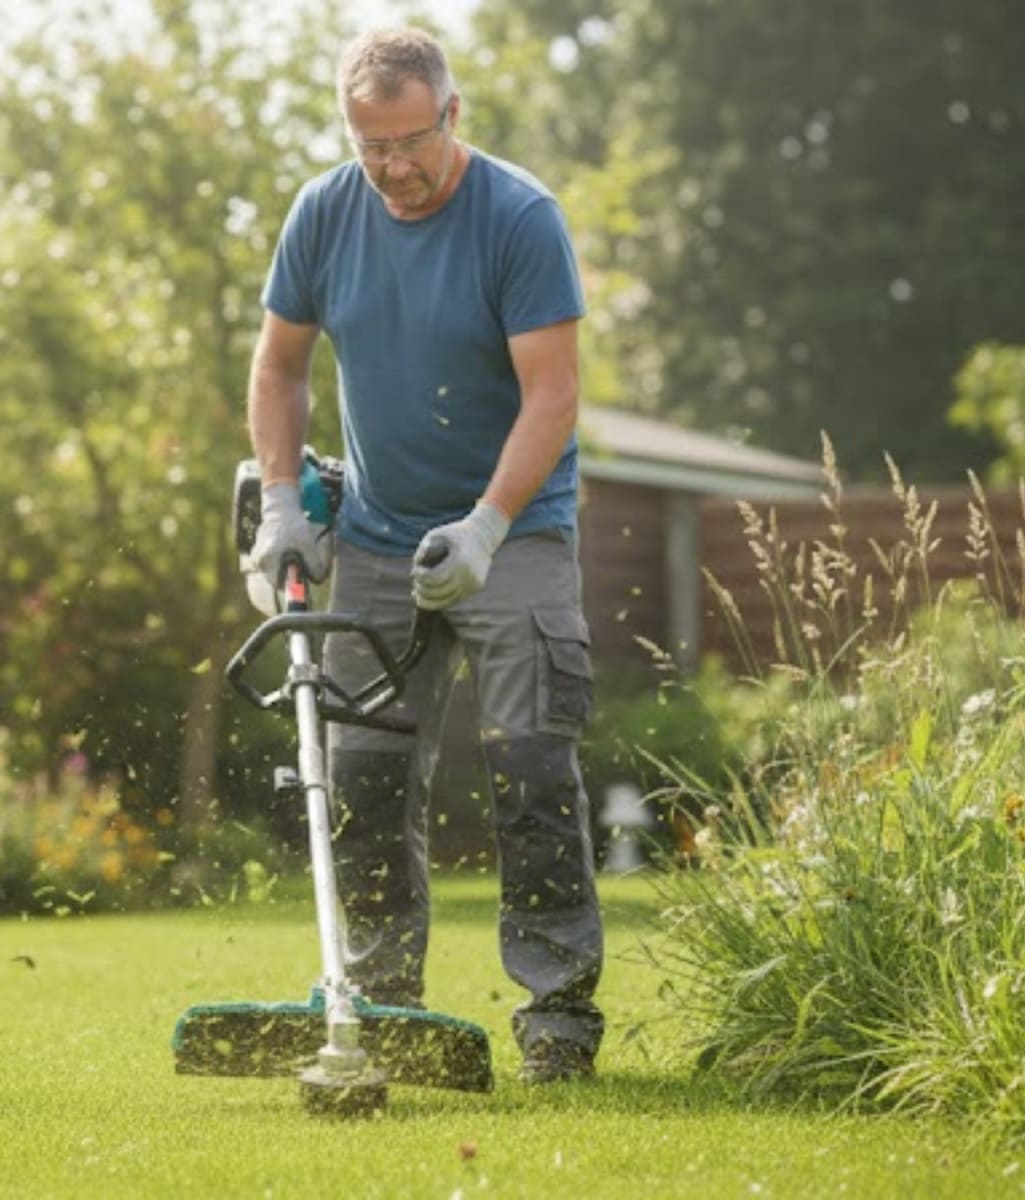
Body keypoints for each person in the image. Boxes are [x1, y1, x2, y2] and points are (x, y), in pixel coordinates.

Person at [246, 26, 602, 1084]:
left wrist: (489, 524)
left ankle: (556, 1021)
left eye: (411, 140)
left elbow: (554, 393)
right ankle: (382, 1002)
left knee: (534, 768)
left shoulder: (518, 218)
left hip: (517, 528)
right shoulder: (325, 212)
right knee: (360, 777)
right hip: (377, 535)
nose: (394, 166)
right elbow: (279, 367)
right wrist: (280, 503)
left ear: (453, 115)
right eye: (372, 145)